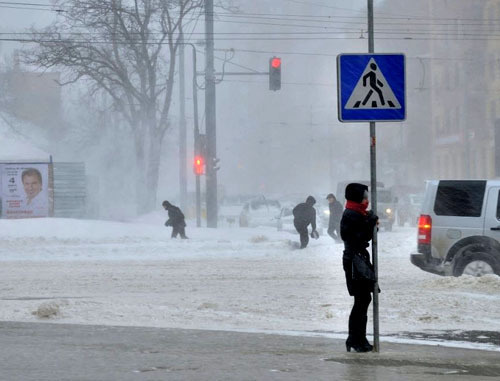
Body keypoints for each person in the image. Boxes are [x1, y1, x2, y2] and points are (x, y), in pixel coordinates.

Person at [340, 183, 378, 352]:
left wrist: (368, 219)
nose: (367, 200)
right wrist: (370, 221)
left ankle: (357, 338)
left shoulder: (356, 213)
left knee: (363, 300)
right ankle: (355, 339)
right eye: (364, 197)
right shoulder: (351, 214)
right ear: (357, 198)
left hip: (359, 258)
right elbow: (360, 236)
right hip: (355, 260)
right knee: (362, 300)